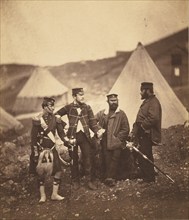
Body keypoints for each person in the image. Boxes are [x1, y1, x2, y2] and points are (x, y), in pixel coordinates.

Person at [55, 88, 103, 190]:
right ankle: (75, 180)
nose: (83, 97)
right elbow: (56, 115)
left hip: (85, 136)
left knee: (88, 158)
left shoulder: (87, 107)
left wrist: (97, 130)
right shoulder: (68, 107)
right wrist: (64, 125)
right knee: (73, 159)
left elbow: (93, 122)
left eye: (83, 94)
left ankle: (90, 180)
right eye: (80, 95)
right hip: (72, 137)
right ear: (74, 96)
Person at [29, 97, 67, 203]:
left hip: (52, 148)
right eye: (51, 106)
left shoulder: (56, 119)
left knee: (58, 171)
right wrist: (35, 152)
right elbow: (33, 138)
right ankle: (43, 196)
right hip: (41, 149)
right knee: (40, 173)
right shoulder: (37, 119)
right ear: (45, 107)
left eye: (53, 105)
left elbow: (61, 133)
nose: (53, 108)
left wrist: (68, 141)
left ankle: (54, 194)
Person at [129, 82, 162, 183]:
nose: (140, 93)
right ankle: (146, 174)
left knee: (145, 154)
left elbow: (154, 117)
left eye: (142, 90)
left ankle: (149, 177)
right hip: (142, 132)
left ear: (147, 90)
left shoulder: (154, 102)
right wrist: (134, 131)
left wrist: (142, 127)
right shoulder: (148, 101)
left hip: (147, 133)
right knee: (143, 153)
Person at [95, 93, 130, 187]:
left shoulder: (121, 114)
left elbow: (126, 129)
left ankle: (111, 178)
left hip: (117, 141)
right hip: (105, 141)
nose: (114, 103)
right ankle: (106, 177)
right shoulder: (103, 113)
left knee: (115, 159)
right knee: (107, 158)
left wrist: (118, 138)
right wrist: (99, 129)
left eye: (115, 101)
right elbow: (93, 121)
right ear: (108, 102)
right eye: (112, 101)